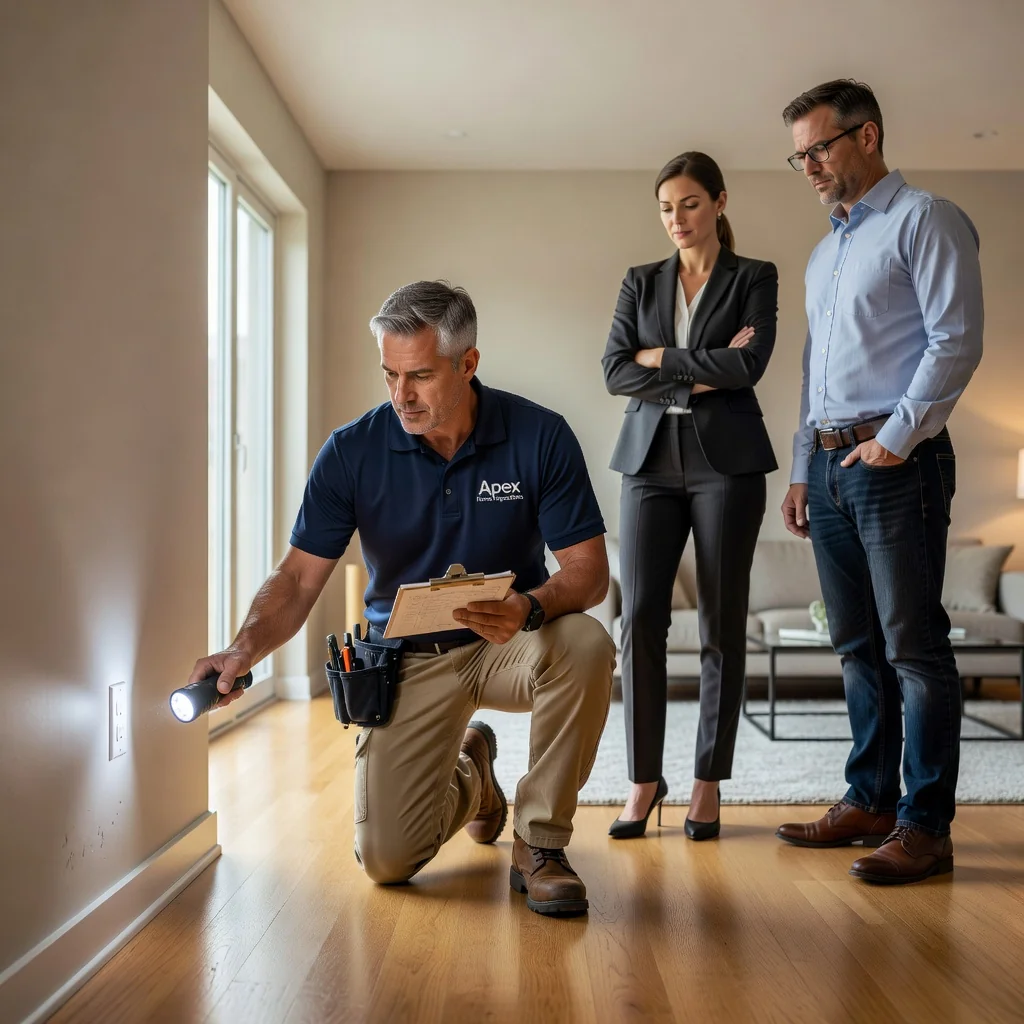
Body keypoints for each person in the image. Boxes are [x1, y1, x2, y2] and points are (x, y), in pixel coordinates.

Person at [187, 280, 616, 917]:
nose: (400, 395)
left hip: (510, 641)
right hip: (406, 659)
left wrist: (528, 608)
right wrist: (241, 649)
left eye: (418, 375)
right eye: (389, 374)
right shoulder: (353, 451)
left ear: (467, 364)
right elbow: (301, 577)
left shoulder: (540, 436)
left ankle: (541, 843)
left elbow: (588, 571)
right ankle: (474, 778)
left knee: (586, 643)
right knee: (388, 863)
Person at [776, 80, 983, 884]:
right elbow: (810, 374)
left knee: (914, 649)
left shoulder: (924, 219)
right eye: (799, 155)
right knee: (855, 646)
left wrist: (896, 440)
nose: (810, 166)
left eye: (819, 148)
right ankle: (868, 799)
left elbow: (954, 340)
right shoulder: (824, 253)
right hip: (830, 468)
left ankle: (925, 827)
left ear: (868, 136)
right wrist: (802, 469)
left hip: (899, 463)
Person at [601, 152, 779, 840]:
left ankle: (707, 781)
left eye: (691, 204)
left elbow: (750, 365)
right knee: (640, 616)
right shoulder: (639, 281)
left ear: (720, 203)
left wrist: (661, 359)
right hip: (647, 462)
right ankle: (645, 780)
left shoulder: (753, 277)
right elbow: (616, 371)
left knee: (720, 624)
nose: (678, 219)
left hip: (727, 463)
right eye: (667, 208)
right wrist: (701, 369)